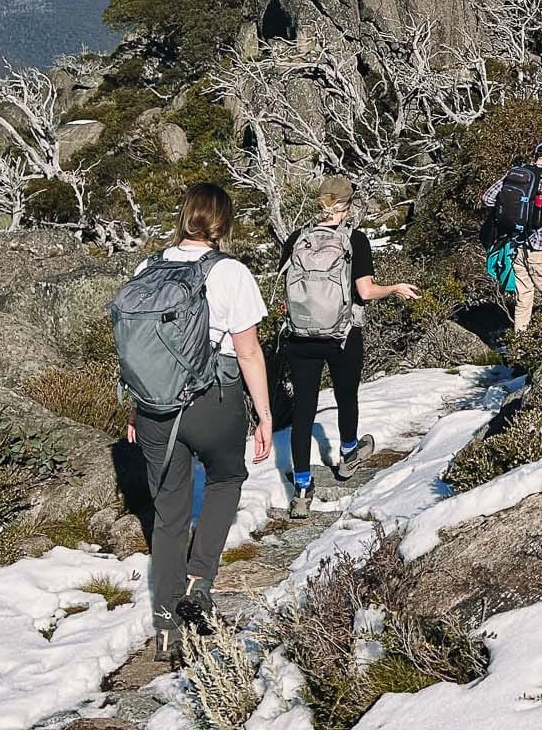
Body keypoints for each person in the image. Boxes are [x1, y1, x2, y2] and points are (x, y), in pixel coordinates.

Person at [125, 183, 274, 664]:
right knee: (227, 478)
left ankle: (165, 629)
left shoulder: (148, 268)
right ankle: (199, 579)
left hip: (155, 409)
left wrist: (137, 408)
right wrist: (265, 415)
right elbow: (248, 351)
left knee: (167, 515)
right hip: (215, 400)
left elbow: (138, 352)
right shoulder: (231, 272)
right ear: (224, 223)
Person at [277, 174, 422, 518]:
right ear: (346, 206)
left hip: (300, 336)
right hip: (342, 334)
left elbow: (288, 291)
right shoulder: (354, 239)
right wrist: (397, 287)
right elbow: (366, 292)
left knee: (303, 411)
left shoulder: (297, 239)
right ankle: (348, 454)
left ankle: (301, 489)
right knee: (346, 394)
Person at [480, 140, 542, 333]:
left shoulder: (515, 173)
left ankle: (520, 340)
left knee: (524, 296)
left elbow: (487, 198)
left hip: (516, 245)